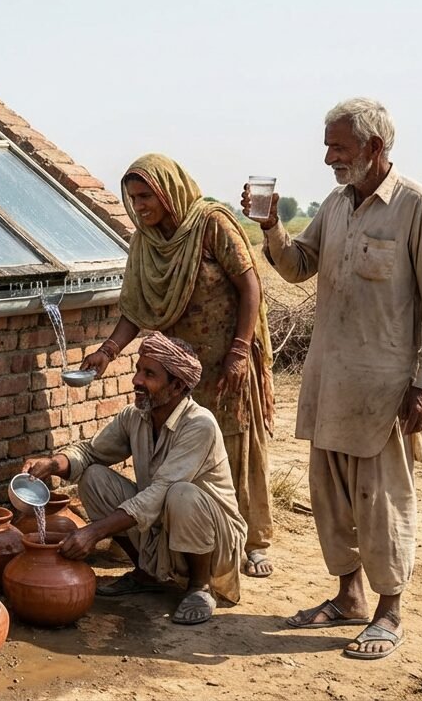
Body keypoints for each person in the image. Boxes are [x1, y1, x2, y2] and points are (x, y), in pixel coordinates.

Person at [243, 98, 422, 660]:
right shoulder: (337, 204)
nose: (329, 156)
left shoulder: (416, 207)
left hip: (386, 389)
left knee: (381, 500)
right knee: (332, 498)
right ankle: (349, 596)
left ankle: (390, 612)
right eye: (328, 144)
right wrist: (271, 228)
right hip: (330, 380)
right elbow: (298, 266)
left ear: (374, 148)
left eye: (338, 145)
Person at [82, 153, 276, 578]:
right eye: (132, 198)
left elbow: (250, 286)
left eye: (146, 195)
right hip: (178, 368)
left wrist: (240, 351)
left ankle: (249, 540)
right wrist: (108, 352)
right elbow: (134, 309)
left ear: (168, 191)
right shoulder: (146, 242)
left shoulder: (211, 225)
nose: (139, 206)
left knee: (233, 442)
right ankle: (175, 543)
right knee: (180, 454)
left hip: (227, 357)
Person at [25, 333, 247, 626]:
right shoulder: (135, 416)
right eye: (138, 371)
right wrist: (53, 464)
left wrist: (93, 533)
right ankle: (145, 573)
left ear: (178, 385)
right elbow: (91, 453)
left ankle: (199, 586)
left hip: (214, 541)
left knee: (182, 493)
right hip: (162, 528)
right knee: (93, 477)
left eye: (149, 374)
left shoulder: (199, 424)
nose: (136, 381)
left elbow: (161, 492)